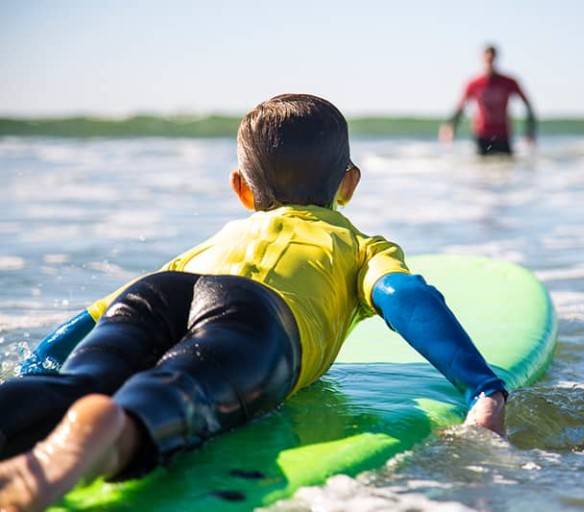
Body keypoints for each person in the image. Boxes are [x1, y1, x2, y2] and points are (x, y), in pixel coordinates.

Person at [0, 94, 508, 511]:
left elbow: (98, 312)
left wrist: (36, 362)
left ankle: (38, 406)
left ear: (241, 189)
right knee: (184, 388)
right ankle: (117, 429)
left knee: (77, 380)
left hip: (160, 291)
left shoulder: (217, 239)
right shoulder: (358, 245)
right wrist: (482, 387)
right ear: (349, 183)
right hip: (258, 315)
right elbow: (405, 296)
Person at [440, 45, 537, 155]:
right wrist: (450, 126)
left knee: (507, 168)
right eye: (487, 59)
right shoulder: (474, 83)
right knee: (482, 168)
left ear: (496, 58)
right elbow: (461, 107)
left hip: (503, 134)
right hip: (482, 134)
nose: (490, 62)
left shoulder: (509, 82)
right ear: (482, 59)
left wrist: (530, 131)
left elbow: (528, 104)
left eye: (492, 59)